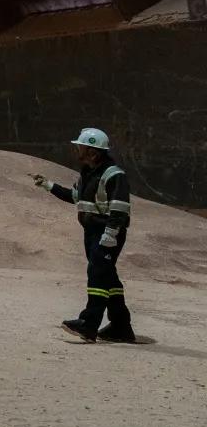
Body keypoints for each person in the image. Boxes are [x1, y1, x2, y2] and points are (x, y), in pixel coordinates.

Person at [34, 128, 135, 343]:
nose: (76, 149)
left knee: (97, 275)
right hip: (92, 232)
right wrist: (48, 185)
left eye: (81, 146)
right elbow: (75, 197)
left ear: (94, 152)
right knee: (108, 277)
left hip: (106, 232)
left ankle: (88, 324)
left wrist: (111, 233)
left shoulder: (113, 175)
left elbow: (120, 207)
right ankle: (121, 326)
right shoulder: (88, 173)